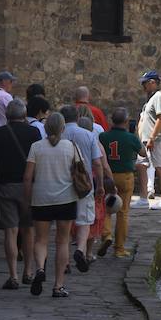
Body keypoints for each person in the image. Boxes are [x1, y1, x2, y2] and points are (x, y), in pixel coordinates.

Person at [0, 99, 41, 288]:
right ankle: (29, 272)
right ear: (24, 115)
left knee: (11, 231)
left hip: (5, 185)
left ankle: (13, 276)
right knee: (28, 230)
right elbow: (39, 159)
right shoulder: (33, 132)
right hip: (29, 187)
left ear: (7, 115)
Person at [23, 111, 80, 298]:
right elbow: (79, 173)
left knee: (41, 240)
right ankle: (58, 286)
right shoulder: (71, 147)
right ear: (63, 128)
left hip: (41, 198)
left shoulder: (36, 147)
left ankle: (40, 268)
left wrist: (28, 198)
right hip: (66, 199)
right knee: (63, 241)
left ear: (45, 128)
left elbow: (28, 176)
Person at [58, 105, 110, 271]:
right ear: (77, 118)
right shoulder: (88, 135)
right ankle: (80, 250)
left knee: (64, 224)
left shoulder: (57, 135)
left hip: (61, 184)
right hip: (83, 184)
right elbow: (97, 162)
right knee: (85, 220)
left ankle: (64, 262)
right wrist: (100, 184)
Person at [99, 108, 145, 258]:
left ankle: (106, 236)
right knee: (122, 213)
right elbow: (143, 153)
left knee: (105, 208)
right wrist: (136, 134)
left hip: (108, 177)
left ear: (112, 120)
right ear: (126, 121)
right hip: (125, 177)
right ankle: (119, 248)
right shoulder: (131, 138)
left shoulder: (103, 136)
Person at [137, 71, 161, 209]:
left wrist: (152, 137)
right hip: (147, 141)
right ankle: (143, 198)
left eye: (144, 83)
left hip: (155, 141)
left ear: (152, 82)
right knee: (142, 166)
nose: (142, 86)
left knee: (160, 168)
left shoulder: (159, 96)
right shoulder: (151, 98)